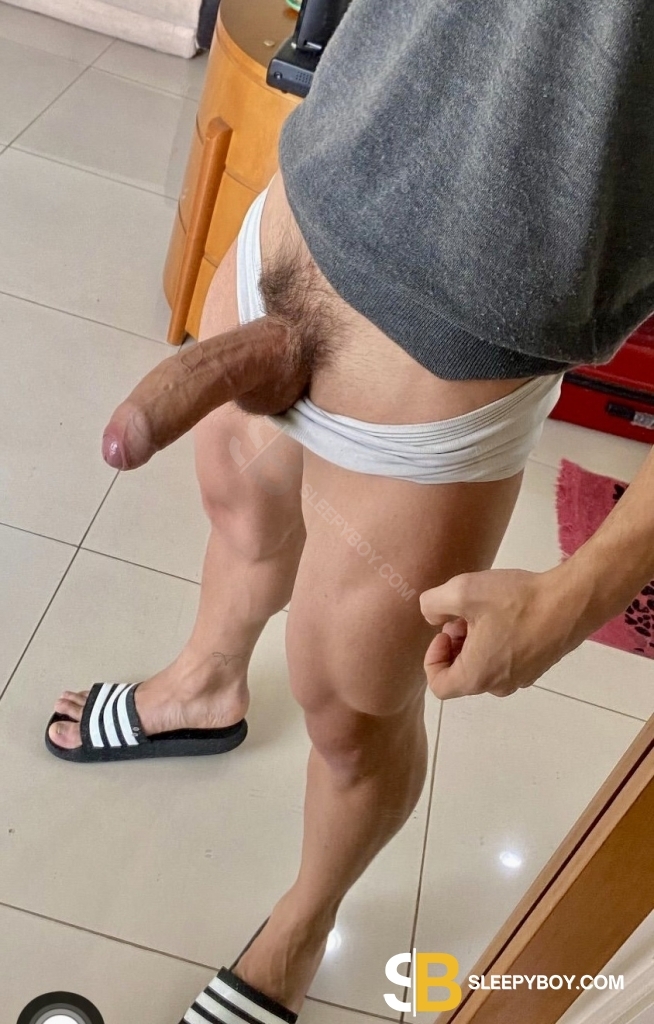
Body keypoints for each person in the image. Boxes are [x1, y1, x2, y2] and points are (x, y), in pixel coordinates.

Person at [46, 1, 654, 1021]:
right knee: (237, 516)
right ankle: (205, 685)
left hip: (447, 365)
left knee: (353, 709)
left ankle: (302, 924)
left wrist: (579, 591)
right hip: (304, 197)